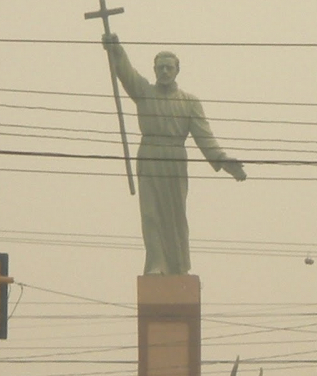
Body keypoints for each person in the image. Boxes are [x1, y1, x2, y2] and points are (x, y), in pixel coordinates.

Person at [102, 33, 247, 276]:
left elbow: (205, 137)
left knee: (175, 215)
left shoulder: (189, 102)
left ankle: (178, 265)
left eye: (169, 68)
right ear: (155, 70)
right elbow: (125, 73)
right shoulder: (145, 93)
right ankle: (157, 263)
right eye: (161, 68)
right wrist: (115, 48)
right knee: (150, 214)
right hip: (149, 156)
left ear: (177, 70)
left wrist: (223, 160)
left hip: (175, 160)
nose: (165, 72)